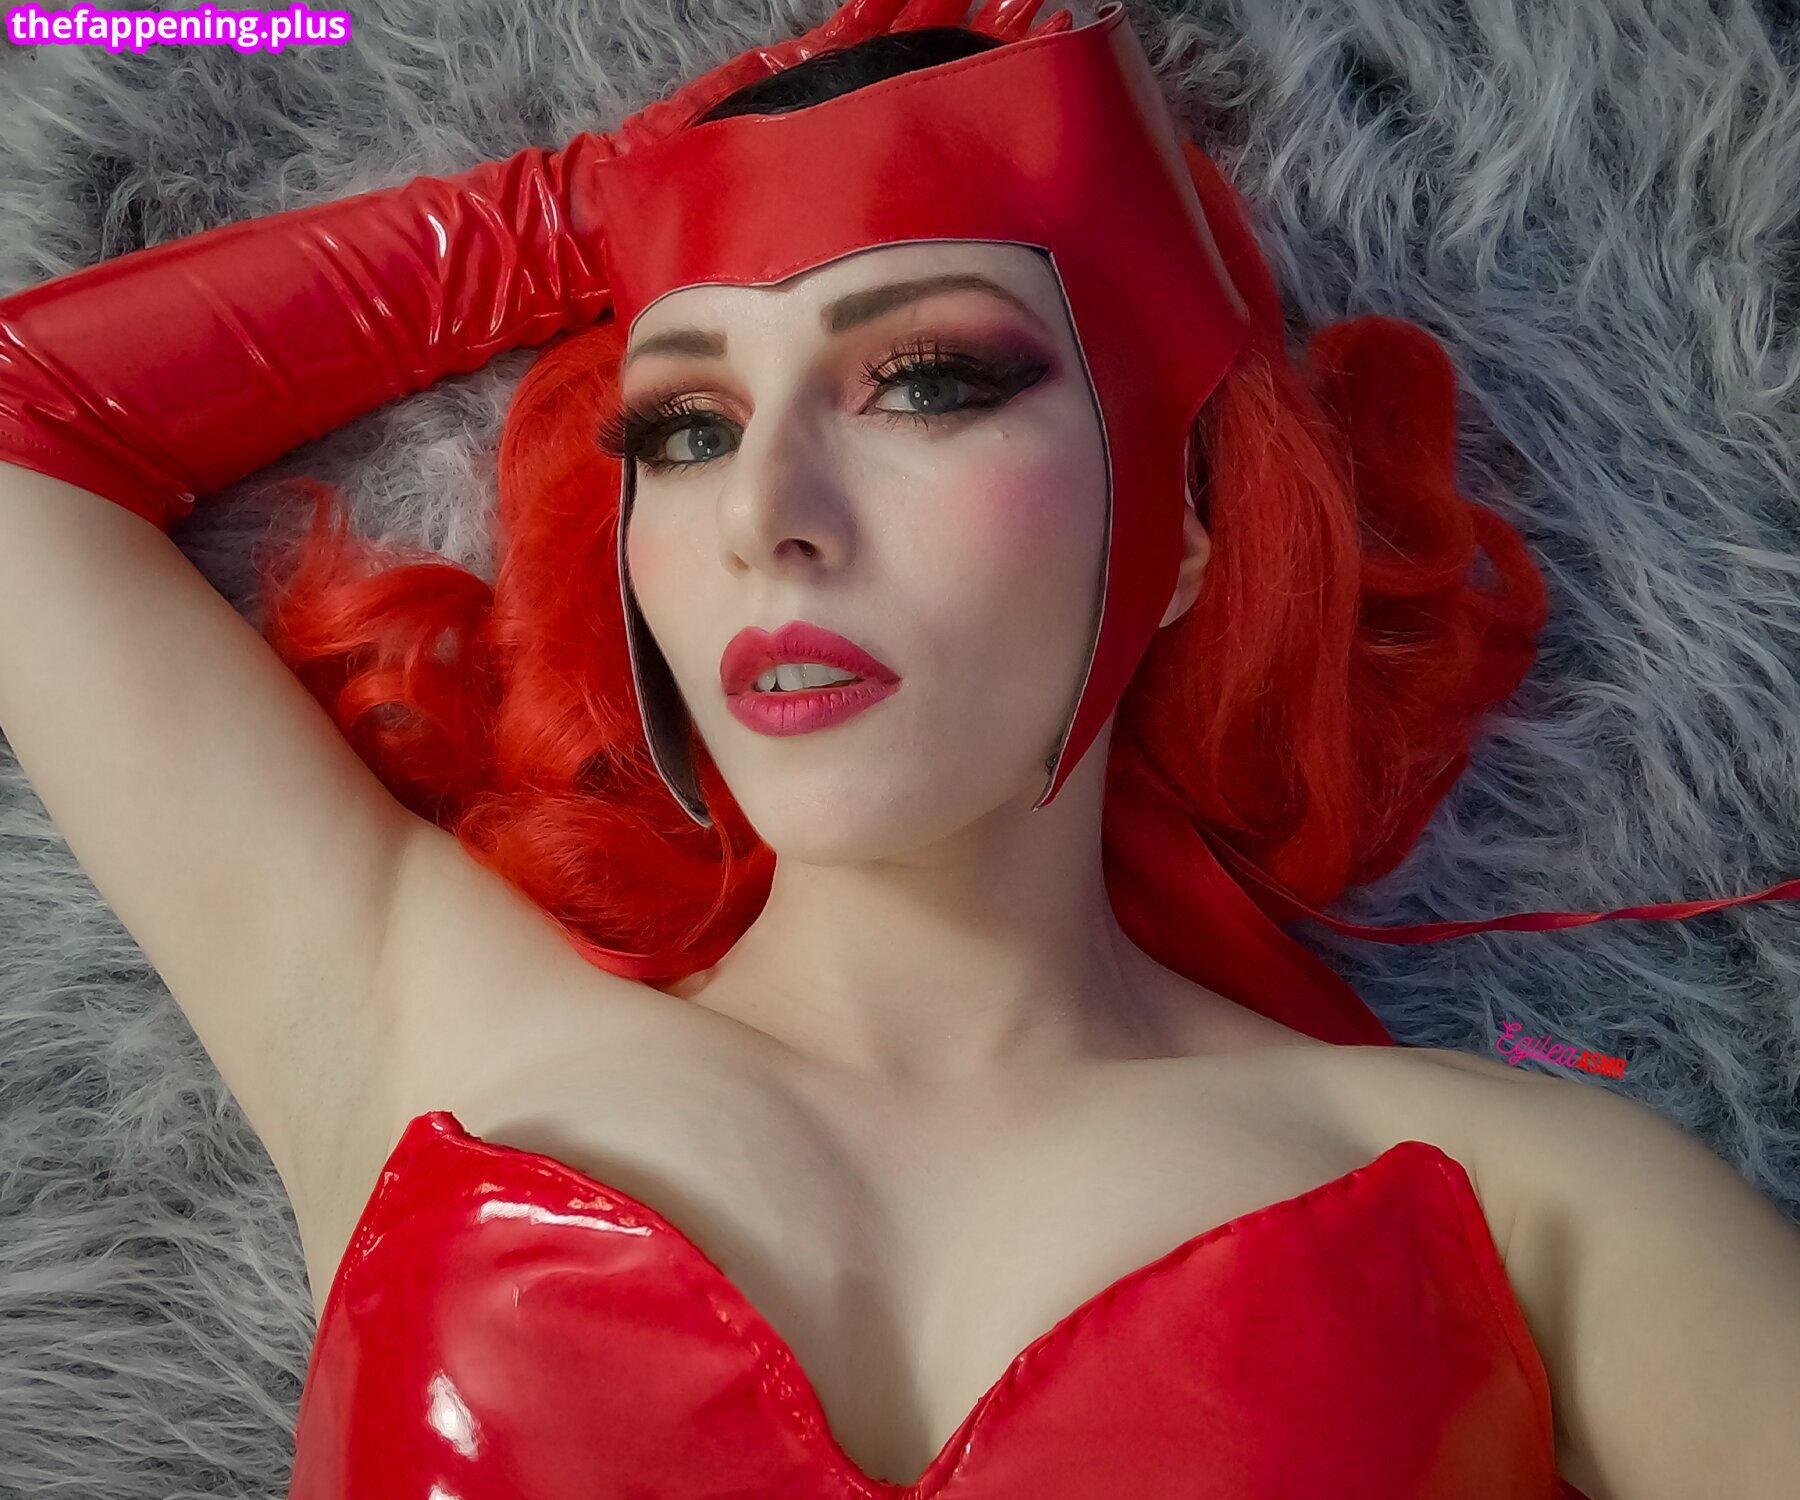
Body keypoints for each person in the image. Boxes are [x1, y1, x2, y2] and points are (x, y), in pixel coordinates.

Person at [0, 1, 1796, 1496]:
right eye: (686, 423)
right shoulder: (401, 1016)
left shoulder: (1543, 1209)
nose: (762, 513)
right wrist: (579, 211)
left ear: (1180, 529)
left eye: (929, 382)